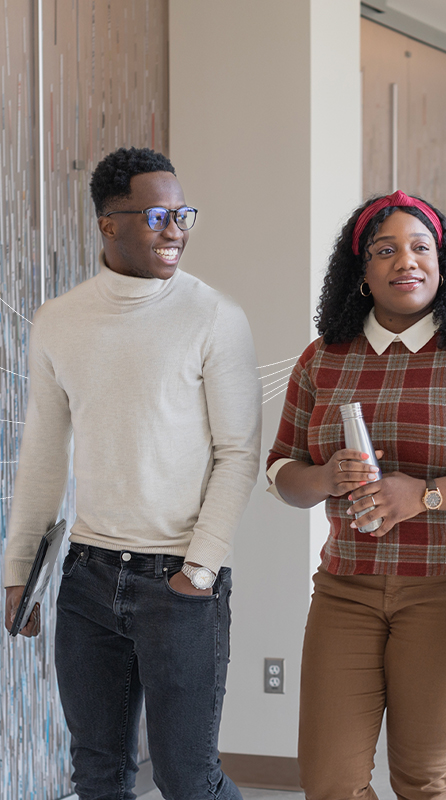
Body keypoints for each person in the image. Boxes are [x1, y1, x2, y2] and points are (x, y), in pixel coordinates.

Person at [266, 190, 446, 800]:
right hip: (347, 583)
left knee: (422, 778)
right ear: (361, 271)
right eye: (385, 250)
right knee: (329, 782)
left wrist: (423, 496)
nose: (406, 262)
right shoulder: (324, 358)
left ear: (443, 262)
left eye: (422, 247)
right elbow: (281, 471)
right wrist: (324, 479)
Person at [3, 147, 261, 800]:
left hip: (177, 582)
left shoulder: (214, 319)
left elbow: (238, 454)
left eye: (183, 214)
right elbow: (42, 454)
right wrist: (18, 574)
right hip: (87, 578)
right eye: (156, 215)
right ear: (108, 224)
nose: (175, 229)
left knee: (186, 779)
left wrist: (198, 570)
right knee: (98, 773)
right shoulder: (60, 322)